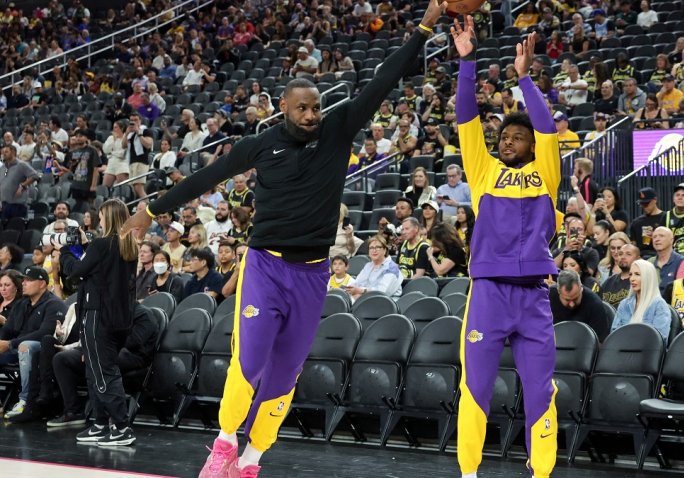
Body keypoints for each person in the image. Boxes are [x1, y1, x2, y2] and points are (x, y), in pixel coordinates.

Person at [122, 3, 446, 475]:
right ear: (283, 108)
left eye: (316, 106)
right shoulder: (260, 144)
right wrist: (151, 210)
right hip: (266, 267)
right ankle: (224, 444)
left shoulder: (338, 129)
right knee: (249, 361)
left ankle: (252, 460)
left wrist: (423, 29)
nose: (312, 114)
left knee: (285, 373)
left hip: (313, 274)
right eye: (303, 107)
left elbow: (383, 81)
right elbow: (206, 177)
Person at [451, 20, 560, 478]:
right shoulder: (483, 171)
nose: (505, 141)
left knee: (541, 391)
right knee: (475, 386)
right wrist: (467, 62)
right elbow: (465, 119)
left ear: (533, 145)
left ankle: (542, 472)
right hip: (489, 293)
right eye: (503, 138)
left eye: (516, 137)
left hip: (533, 296)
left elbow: (547, 124)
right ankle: (469, 473)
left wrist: (523, 77)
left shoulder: (548, 174)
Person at [58, 199, 137, 446]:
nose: (98, 220)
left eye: (101, 216)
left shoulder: (102, 245)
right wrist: (85, 246)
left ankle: (122, 427)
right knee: (96, 370)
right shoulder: (128, 246)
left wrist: (64, 252)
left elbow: (76, 270)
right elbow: (97, 268)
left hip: (97, 316)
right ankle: (101, 424)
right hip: (119, 318)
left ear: (108, 218)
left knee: (102, 372)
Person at [45, 304, 158, 428]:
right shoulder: (110, 313)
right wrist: (88, 349)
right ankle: (73, 411)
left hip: (133, 356)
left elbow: (134, 342)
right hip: (107, 351)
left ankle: (110, 420)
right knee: (61, 359)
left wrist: (97, 350)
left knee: (98, 358)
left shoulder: (144, 314)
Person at [0, 267, 68, 420]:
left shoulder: (54, 304)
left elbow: (44, 334)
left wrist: (10, 344)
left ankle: (25, 399)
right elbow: (8, 328)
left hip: (42, 351)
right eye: (23, 280)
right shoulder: (22, 303)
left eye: (29, 280)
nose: (23, 283)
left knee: (27, 346)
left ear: (42, 284)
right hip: (16, 347)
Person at [611, 259, 672, 342]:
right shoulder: (624, 304)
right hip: (623, 350)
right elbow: (614, 334)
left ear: (648, 277)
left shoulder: (659, 305)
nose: (632, 278)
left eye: (637, 274)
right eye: (630, 274)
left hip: (647, 352)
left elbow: (660, 340)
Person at [550, 270, 610, 341]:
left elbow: (600, 341)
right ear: (558, 292)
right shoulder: (547, 298)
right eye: (567, 300)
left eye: (575, 299)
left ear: (581, 289)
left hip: (584, 348)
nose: (571, 304)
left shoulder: (594, 303)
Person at [344, 236, 403, 300]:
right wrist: (349, 289)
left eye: (378, 247)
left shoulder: (392, 267)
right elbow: (357, 283)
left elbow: (382, 292)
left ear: (385, 250)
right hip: (367, 299)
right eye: (371, 248)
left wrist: (360, 291)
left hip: (385, 302)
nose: (374, 250)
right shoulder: (368, 265)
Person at [0, 144, 38, 220]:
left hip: (18, 205)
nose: (3, 154)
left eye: (6, 152)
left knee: (16, 229)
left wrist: (23, 185)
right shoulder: (3, 167)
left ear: (13, 152)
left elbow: (35, 175)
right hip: (4, 204)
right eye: (2, 152)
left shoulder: (21, 165)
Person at [601, 243, 640, 308]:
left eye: (628, 254)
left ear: (638, 259)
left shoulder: (640, 281)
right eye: (620, 254)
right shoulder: (609, 281)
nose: (623, 257)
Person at [630, 187, 665, 256]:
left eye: (646, 203)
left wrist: (655, 236)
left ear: (655, 200)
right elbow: (634, 246)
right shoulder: (636, 223)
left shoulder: (666, 218)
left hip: (660, 255)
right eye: (642, 204)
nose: (644, 206)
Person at [649, 226, 684, 291]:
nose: (657, 239)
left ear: (671, 240)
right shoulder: (649, 262)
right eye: (654, 237)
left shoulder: (682, 261)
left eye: (661, 236)